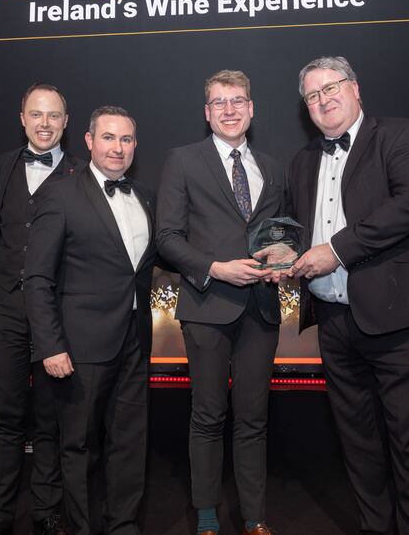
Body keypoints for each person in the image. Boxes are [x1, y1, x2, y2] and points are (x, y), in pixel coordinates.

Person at [287, 56, 409, 535]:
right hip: (335, 325)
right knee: (358, 446)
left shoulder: (401, 136)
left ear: (355, 88)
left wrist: (335, 251)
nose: (324, 99)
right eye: (313, 96)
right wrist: (282, 252)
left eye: (331, 87)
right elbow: (296, 231)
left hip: (398, 318)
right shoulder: (302, 162)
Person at [156, 70, 286, 535]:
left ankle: (254, 519)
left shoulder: (272, 167)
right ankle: (207, 518)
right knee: (208, 415)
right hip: (207, 303)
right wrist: (215, 268)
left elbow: (281, 235)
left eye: (237, 101)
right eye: (218, 103)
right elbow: (167, 237)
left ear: (251, 108)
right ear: (206, 112)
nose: (229, 109)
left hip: (261, 309)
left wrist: (284, 257)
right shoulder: (183, 161)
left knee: (254, 418)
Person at [24, 106, 156, 535]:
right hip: (79, 346)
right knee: (78, 446)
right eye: (108, 138)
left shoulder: (145, 197)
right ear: (88, 141)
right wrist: (50, 345)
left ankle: (123, 525)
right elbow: (38, 277)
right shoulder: (59, 195)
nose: (117, 148)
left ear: (135, 146)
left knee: (129, 443)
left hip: (134, 341)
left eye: (126, 140)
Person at [0, 84, 82, 535]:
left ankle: (46, 512)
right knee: (3, 417)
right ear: (22, 118)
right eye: (36, 114)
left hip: (58, 316)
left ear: (66, 121)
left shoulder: (82, 174)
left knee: (51, 419)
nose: (44, 123)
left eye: (53, 115)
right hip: (4, 312)